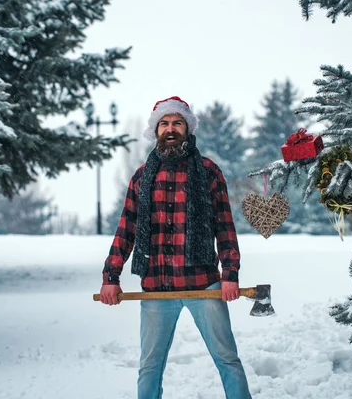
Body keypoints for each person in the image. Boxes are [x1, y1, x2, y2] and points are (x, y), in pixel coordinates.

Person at [99, 96, 252, 399]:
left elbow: (224, 226)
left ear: (187, 128)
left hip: (203, 284)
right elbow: (126, 228)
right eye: (164, 123)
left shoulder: (208, 171)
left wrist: (230, 274)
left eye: (177, 122)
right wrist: (110, 277)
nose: (170, 128)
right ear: (156, 130)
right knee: (150, 366)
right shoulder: (143, 176)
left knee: (227, 359)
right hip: (157, 287)